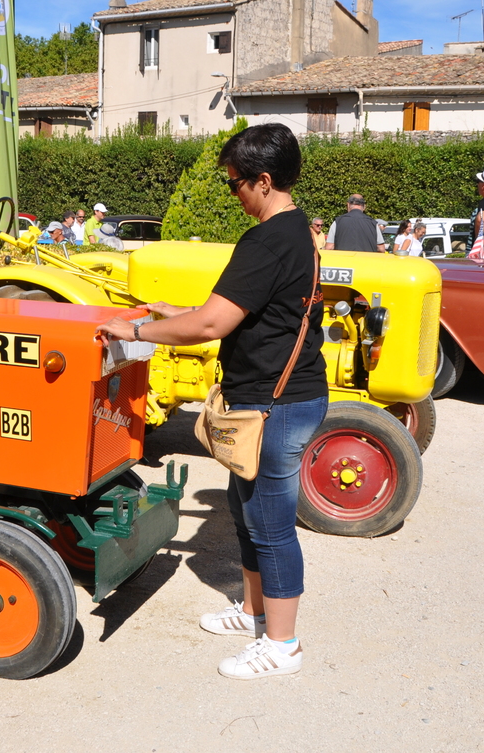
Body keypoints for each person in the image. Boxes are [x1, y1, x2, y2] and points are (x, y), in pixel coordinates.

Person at [96, 123, 326, 680]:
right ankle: (253, 612)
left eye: (235, 184)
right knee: (246, 514)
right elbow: (247, 311)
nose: (233, 193)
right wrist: (174, 311)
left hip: (274, 404)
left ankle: (282, 645)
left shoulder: (267, 240)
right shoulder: (296, 231)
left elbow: (211, 324)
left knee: (270, 524)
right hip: (269, 399)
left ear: (264, 181)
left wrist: (136, 331)